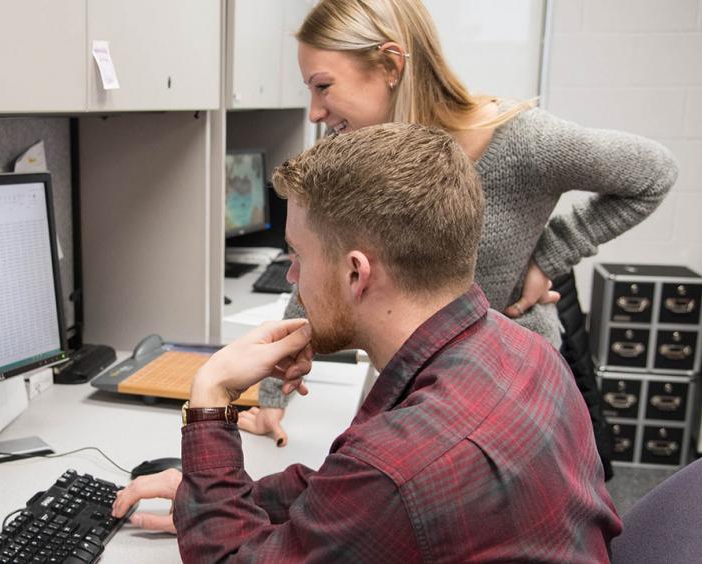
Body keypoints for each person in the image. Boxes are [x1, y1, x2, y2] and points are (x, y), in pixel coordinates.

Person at [112, 123, 622, 562]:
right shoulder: (525, 351)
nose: (291, 276)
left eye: (298, 256)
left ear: (356, 274)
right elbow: (342, 495)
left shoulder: (398, 468)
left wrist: (211, 396)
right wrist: (209, 493)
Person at [240, 0, 679, 448]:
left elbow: (652, 173)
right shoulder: (367, 161)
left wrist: (548, 257)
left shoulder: (522, 141)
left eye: (323, 86)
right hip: (412, 388)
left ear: (391, 64)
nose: (314, 112)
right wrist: (273, 396)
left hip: (505, 399)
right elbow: (319, 270)